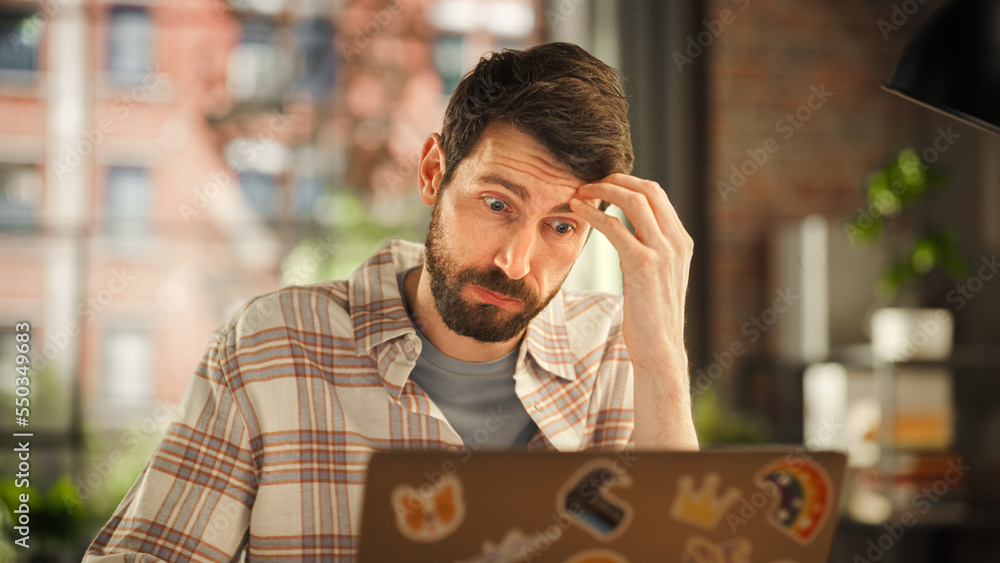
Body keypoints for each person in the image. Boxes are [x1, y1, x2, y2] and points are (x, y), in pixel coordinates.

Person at [84, 41, 698, 561]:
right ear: (434, 172)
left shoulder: (621, 355)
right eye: (496, 204)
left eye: (560, 226)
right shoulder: (271, 343)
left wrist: (664, 360)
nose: (516, 261)